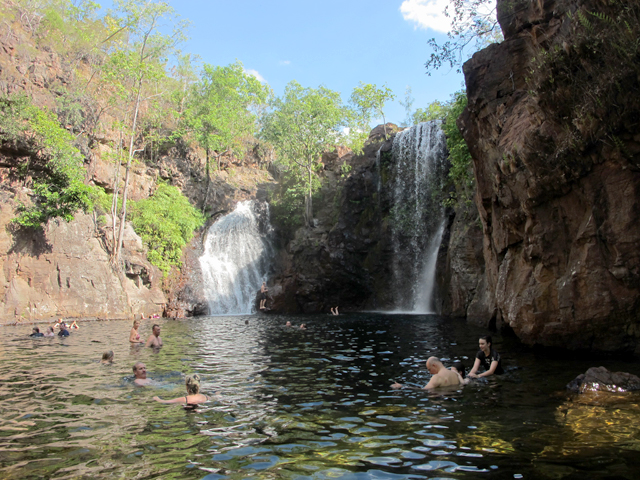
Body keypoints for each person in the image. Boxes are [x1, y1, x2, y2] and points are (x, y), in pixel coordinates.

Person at [392, 357, 462, 390]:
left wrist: (403, 387)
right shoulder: (455, 374)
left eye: (430, 369)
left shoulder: (437, 377)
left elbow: (423, 390)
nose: (430, 373)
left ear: (434, 365)